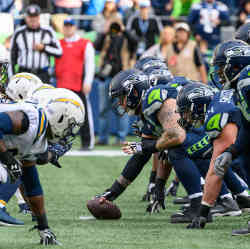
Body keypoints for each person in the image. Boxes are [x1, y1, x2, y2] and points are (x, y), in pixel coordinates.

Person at [175, 40, 250, 232]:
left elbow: (216, 167)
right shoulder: (234, 91)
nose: (218, 73)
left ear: (235, 65)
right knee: (238, 157)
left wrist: (202, 212)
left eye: (221, 67)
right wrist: (233, 150)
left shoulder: (238, 88)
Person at [0, 84, 85, 244]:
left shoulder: (39, 138)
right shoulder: (31, 118)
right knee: (7, 171)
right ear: (61, 117)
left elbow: (33, 186)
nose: (69, 134)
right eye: (71, 126)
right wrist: (9, 161)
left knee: (16, 170)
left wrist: (43, 227)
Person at [55, 18, 95, 150]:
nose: (68, 28)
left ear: (75, 27)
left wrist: (88, 81)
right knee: (60, 116)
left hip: (78, 85)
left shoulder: (85, 43)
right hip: (62, 85)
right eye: (65, 26)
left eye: (70, 26)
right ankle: (60, 143)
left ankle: (87, 142)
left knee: (84, 115)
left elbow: (90, 64)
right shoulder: (58, 44)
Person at [94, 19, 132, 145]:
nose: (114, 30)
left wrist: (124, 30)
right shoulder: (106, 37)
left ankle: (121, 139)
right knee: (103, 110)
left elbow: (135, 41)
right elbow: (96, 46)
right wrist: (104, 32)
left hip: (121, 79)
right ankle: (103, 138)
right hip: (106, 78)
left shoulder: (126, 39)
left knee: (122, 109)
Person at [9, 4, 62, 83]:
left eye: (35, 17)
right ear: (26, 17)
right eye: (30, 17)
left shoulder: (48, 31)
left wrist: (44, 48)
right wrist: (12, 77)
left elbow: (59, 52)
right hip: (24, 73)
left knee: (42, 95)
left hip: (42, 74)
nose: (33, 19)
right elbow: (12, 57)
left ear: (39, 17)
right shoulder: (18, 33)